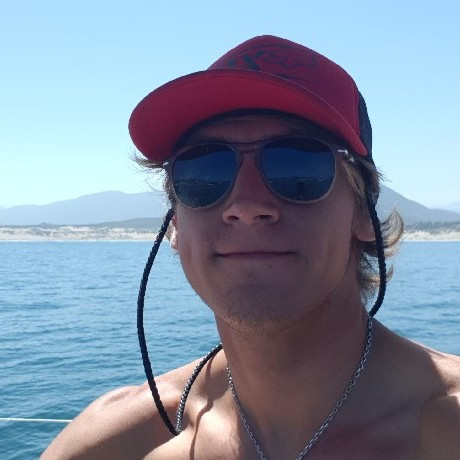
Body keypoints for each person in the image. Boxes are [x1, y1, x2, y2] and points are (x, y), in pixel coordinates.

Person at [42, 35, 460, 460]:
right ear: (175, 225)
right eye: (204, 171)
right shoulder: (111, 444)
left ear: (364, 211)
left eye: (296, 165)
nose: (244, 205)